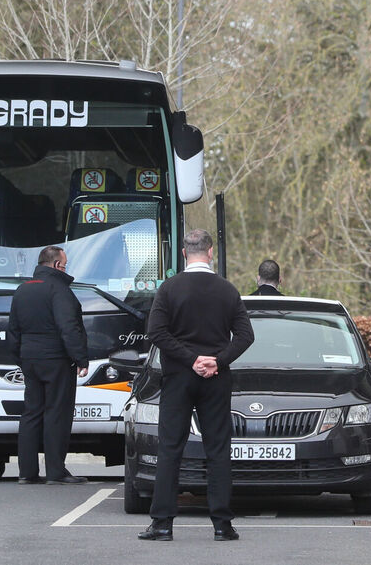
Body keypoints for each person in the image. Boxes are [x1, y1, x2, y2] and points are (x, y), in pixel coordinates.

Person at [139, 229, 254, 543]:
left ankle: (162, 524)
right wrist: (217, 360)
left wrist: (190, 360)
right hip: (216, 380)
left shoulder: (169, 288)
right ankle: (222, 525)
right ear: (211, 251)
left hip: (178, 378)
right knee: (218, 450)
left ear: (184, 253)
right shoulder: (227, 290)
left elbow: (157, 333)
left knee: (170, 450)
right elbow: (246, 336)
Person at [7, 245, 90, 485]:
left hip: (29, 359)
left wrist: (20, 358)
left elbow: (13, 330)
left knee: (31, 412)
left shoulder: (22, 290)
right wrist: (80, 357)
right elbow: (68, 327)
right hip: (56, 360)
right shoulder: (59, 290)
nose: (66, 269)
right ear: (55, 265)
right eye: (65, 265)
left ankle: (27, 472)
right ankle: (55, 471)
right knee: (57, 413)